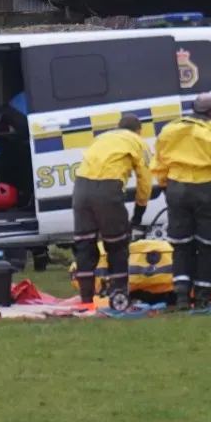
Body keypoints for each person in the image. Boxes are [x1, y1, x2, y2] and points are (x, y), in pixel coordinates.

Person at [150, 93, 211, 310]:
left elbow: (158, 161)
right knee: (209, 245)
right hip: (205, 190)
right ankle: (202, 297)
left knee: (181, 244)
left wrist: (166, 185)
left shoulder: (170, 129)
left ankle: (182, 296)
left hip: (176, 189)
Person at [70, 113, 151, 306]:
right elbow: (145, 179)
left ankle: (86, 299)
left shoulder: (101, 138)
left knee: (85, 246)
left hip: (81, 189)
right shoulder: (138, 142)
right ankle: (119, 294)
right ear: (138, 131)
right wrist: (139, 211)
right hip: (107, 191)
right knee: (117, 245)